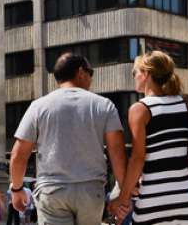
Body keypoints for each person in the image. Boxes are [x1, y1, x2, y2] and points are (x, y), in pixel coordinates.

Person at [9, 53, 128, 225]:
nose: (91, 78)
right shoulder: (104, 105)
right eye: (90, 73)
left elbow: (19, 154)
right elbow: (117, 152)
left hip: (52, 190)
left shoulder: (38, 106)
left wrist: (17, 189)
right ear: (81, 72)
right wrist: (123, 193)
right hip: (90, 191)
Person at [109, 51, 188, 225]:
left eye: (135, 72)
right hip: (185, 196)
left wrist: (123, 198)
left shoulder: (140, 109)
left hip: (154, 196)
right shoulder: (185, 104)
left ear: (146, 74)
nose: (134, 76)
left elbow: (138, 158)